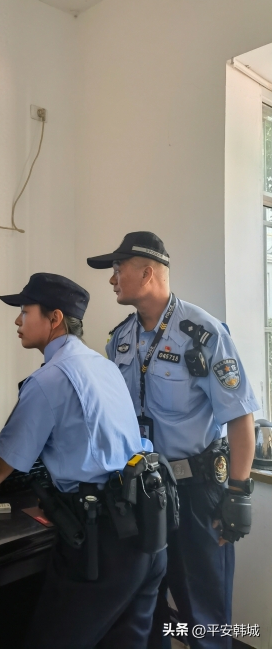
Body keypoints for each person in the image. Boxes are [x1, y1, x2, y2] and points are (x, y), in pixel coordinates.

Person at [87, 231, 257, 649]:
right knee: (146, 616)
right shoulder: (120, 339)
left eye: (118, 269)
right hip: (143, 494)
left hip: (196, 494)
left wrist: (238, 494)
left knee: (205, 620)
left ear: (147, 273)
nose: (111, 278)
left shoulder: (203, 333)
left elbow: (240, 417)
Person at [0, 272, 167, 649]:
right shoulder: (104, 366)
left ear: (55, 319)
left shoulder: (49, 380)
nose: (17, 320)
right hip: (147, 529)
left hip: (102, 542)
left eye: (25, 311)